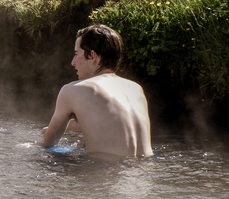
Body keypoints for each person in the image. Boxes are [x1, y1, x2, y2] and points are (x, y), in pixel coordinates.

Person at [41, 24, 153, 158]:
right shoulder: (136, 89)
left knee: (33, 151)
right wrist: (69, 126)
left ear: (92, 56)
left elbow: (48, 144)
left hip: (107, 173)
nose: (73, 62)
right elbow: (110, 120)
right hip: (145, 173)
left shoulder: (73, 90)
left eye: (77, 54)